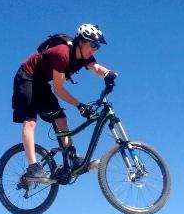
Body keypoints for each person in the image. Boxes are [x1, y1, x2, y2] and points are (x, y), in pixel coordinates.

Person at [12, 23, 117, 180]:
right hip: (26, 77)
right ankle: (33, 167)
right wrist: (80, 105)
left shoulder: (84, 56)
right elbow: (58, 90)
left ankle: (72, 158)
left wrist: (108, 74)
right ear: (81, 41)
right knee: (30, 121)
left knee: (61, 119)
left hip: (41, 83)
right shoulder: (62, 54)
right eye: (93, 44)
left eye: (98, 46)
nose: (95, 49)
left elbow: (96, 68)